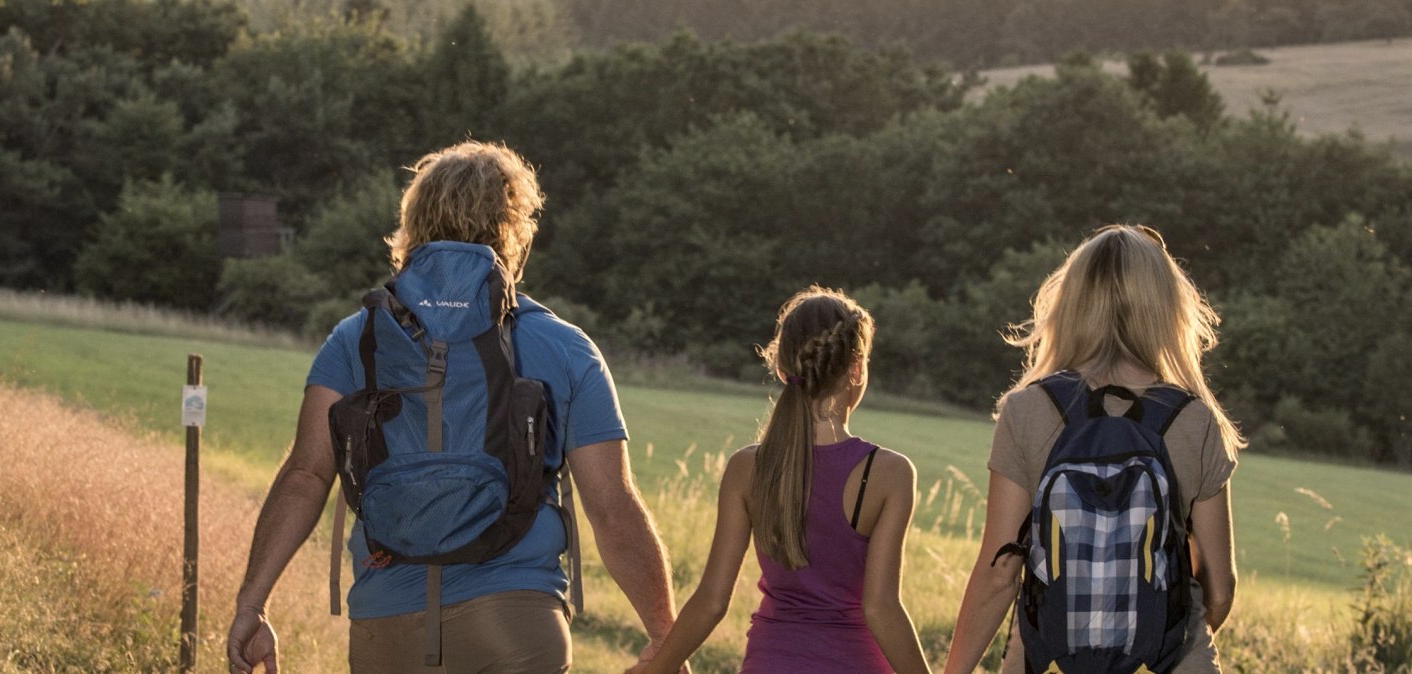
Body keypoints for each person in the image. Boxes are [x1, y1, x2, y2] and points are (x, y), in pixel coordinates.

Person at [225, 141, 683, 674]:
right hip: (515, 622)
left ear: (412, 227)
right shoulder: (564, 347)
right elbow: (613, 508)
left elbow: (306, 475)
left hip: (386, 624)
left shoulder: (357, 338)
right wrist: (665, 639)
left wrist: (251, 606)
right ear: (515, 233)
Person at [943, 224, 1242, 674]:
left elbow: (998, 574)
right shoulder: (1193, 419)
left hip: (1049, 661)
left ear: (1071, 303)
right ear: (1165, 308)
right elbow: (1220, 588)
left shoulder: (1028, 410)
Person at [635, 286, 933, 674]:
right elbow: (880, 608)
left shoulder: (747, 468)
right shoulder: (888, 473)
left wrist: (656, 669)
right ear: (857, 368)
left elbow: (711, 600)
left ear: (781, 367)